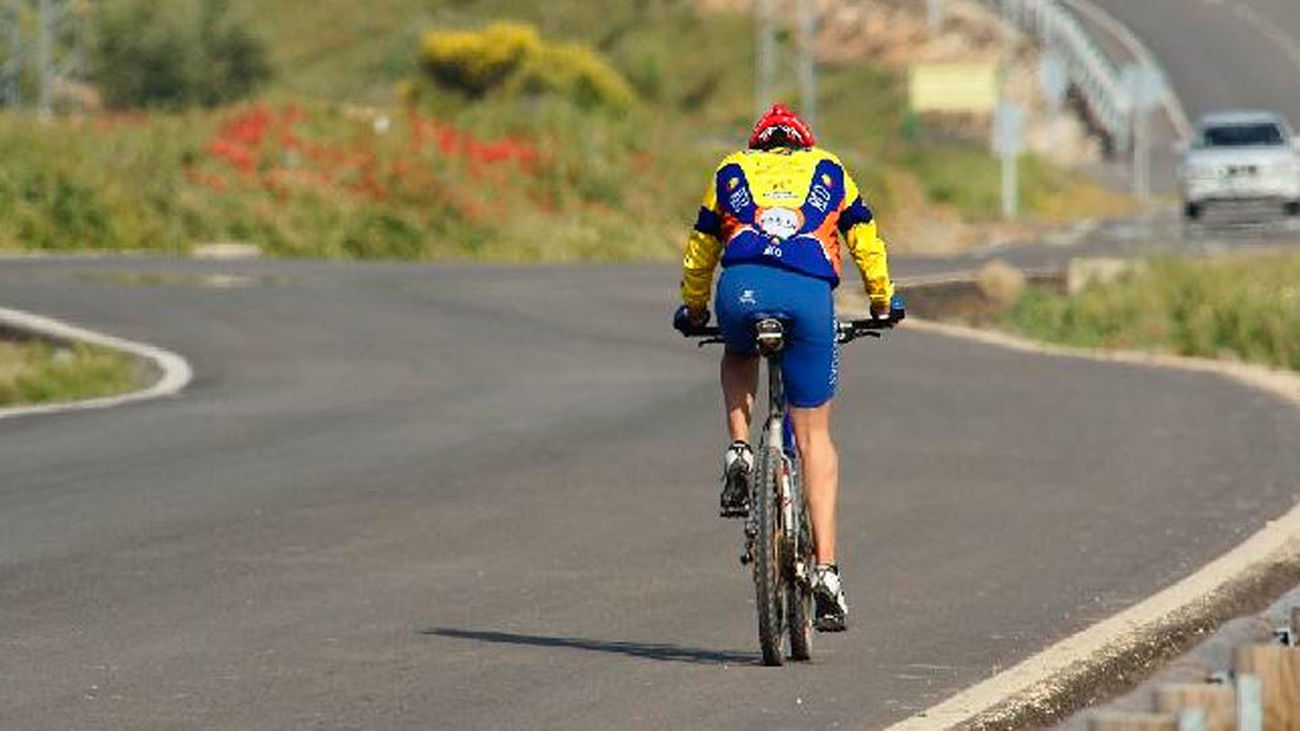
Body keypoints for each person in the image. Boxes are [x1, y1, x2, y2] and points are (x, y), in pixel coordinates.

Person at [673, 104, 899, 632]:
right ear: (802, 144)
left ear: (759, 146)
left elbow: (701, 248)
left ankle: (738, 447)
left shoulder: (731, 170)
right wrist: (884, 301)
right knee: (815, 436)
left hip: (741, 288)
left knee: (736, 351)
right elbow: (865, 237)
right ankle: (826, 571)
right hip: (807, 295)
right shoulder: (829, 170)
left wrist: (696, 308)